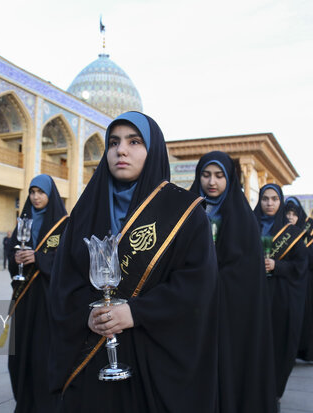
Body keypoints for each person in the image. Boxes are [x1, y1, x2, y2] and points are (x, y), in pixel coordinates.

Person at [49, 112, 219, 412]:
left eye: (134, 141)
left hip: (153, 359)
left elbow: (195, 286)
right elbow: (64, 281)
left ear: (152, 150)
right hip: (90, 354)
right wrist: (86, 316)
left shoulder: (184, 212)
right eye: (113, 142)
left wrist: (135, 312)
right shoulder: (85, 210)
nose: (121, 150)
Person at [188, 151, 276, 413]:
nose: (211, 182)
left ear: (230, 178)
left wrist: (209, 280)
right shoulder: (188, 212)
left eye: (219, 176)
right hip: (189, 308)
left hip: (228, 314)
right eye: (205, 175)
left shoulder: (242, 218)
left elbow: (245, 274)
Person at [5, 174, 68, 412]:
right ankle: (25, 399)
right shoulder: (24, 220)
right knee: (21, 351)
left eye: (40, 192)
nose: (36, 197)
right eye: (32, 192)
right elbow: (12, 252)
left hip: (47, 300)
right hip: (25, 299)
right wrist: (17, 258)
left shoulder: (63, 224)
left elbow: (68, 261)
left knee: (43, 351)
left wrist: (39, 258)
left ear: (50, 195)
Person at [254, 184, 308, 404]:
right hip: (252, 297)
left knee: (277, 343)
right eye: (265, 199)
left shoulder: (293, 233)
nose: (269, 203)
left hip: (279, 298)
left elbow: (301, 266)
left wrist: (277, 265)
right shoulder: (249, 225)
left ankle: (273, 389)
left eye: (274, 199)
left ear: (281, 202)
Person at [285, 197, 313, 364]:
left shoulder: (310, 232)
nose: (290, 217)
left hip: (308, 284)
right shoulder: (281, 231)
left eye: (293, 214)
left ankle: (305, 352)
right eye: (287, 213)